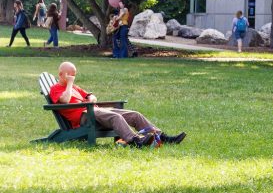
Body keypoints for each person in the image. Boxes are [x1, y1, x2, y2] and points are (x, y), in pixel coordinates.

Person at [49, 61, 186, 147]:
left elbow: (91, 96)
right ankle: (135, 141)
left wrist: (91, 98)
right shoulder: (55, 89)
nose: (73, 78)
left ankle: (161, 137)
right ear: (61, 74)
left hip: (95, 111)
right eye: (70, 75)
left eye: (74, 75)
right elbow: (65, 100)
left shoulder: (75, 87)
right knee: (115, 117)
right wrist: (70, 84)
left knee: (134, 115)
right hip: (84, 116)